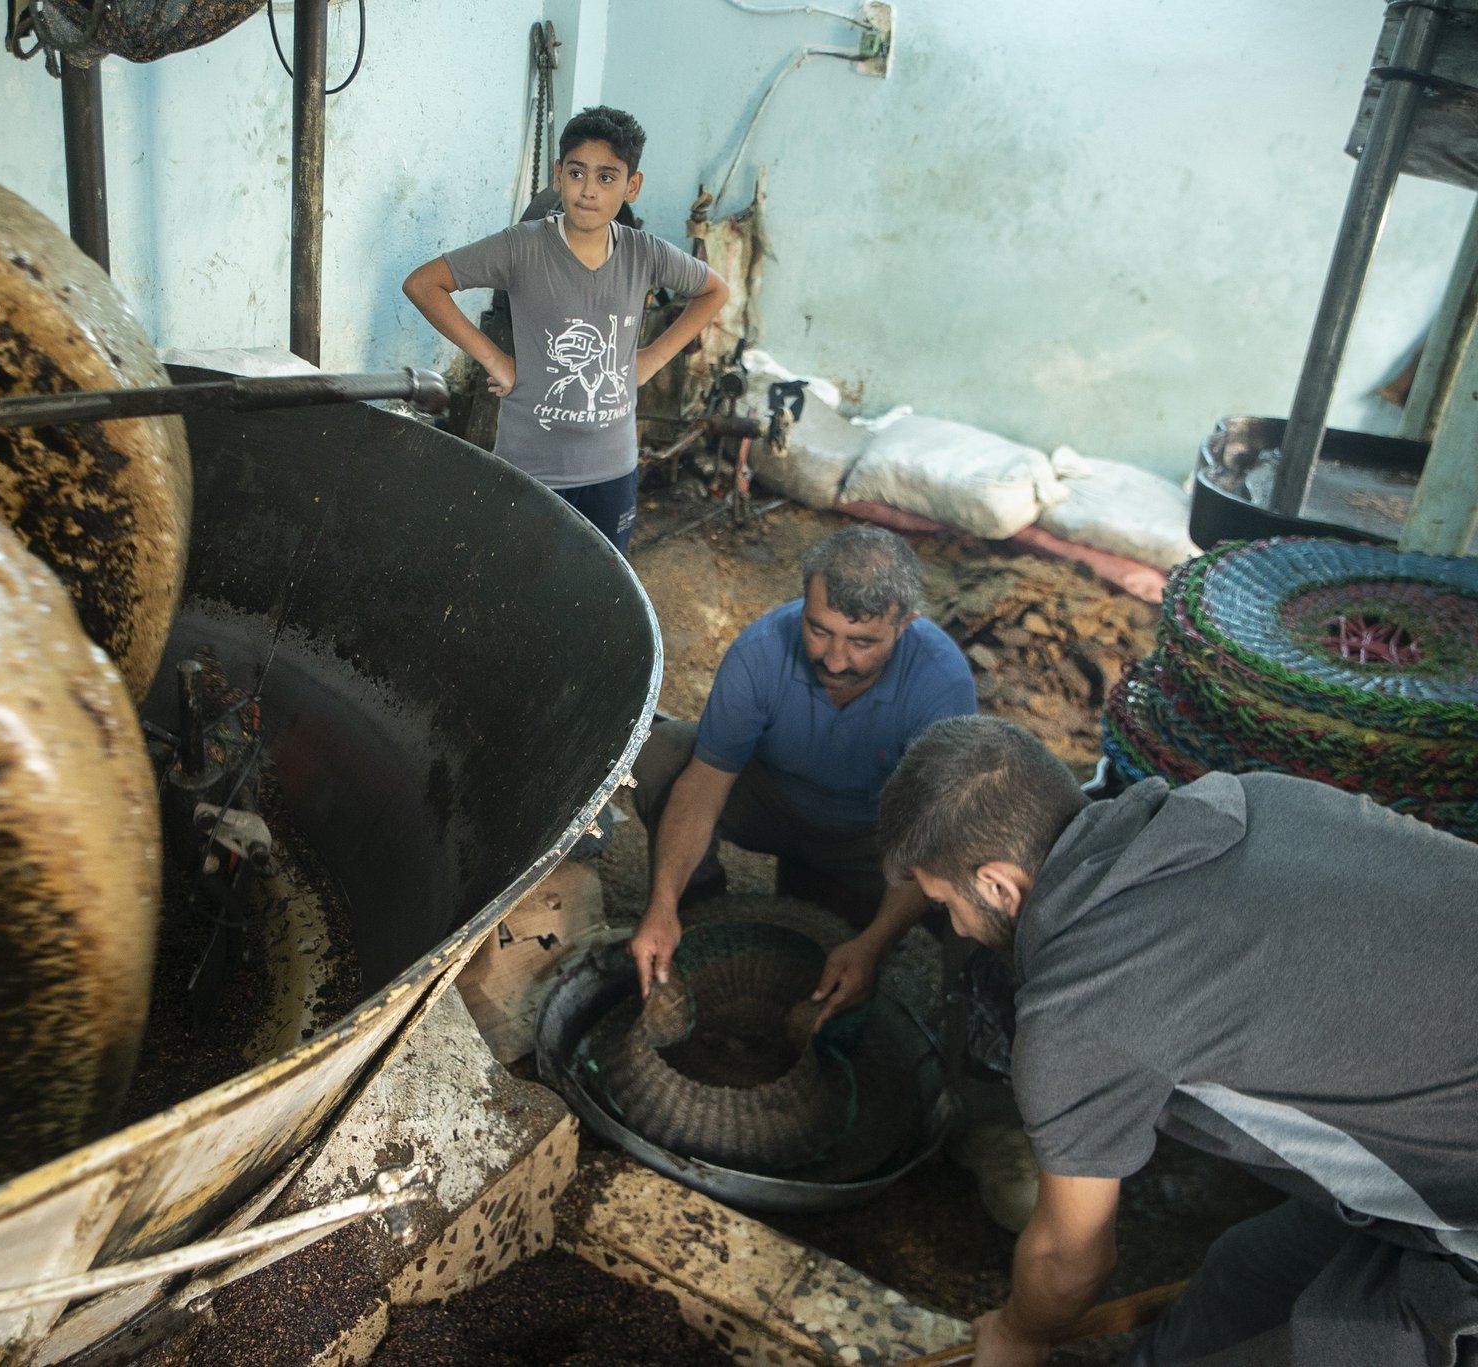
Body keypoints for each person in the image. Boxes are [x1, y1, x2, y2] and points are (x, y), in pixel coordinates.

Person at [878, 715, 1478, 1367]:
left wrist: (1020, 1332)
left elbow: (1069, 1259)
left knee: (1336, 1336)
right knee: (1244, 1275)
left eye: (947, 905)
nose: (958, 925)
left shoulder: (1081, 1000)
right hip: (1441, 1139)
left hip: (1466, 1214)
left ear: (997, 883)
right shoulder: (1249, 797)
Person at [626, 525, 976, 1017]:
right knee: (663, 752)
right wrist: (662, 903)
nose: (834, 659)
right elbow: (705, 783)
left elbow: (931, 836)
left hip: (874, 839)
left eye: (861, 642)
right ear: (804, 601)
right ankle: (698, 912)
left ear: (905, 625)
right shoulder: (761, 652)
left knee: (976, 874)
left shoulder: (942, 686)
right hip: (777, 806)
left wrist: (872, 946)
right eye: (819, 630)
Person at [402, 106, 730, 553]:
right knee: (520, 586)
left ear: (632, 185)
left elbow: (715, 291)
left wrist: (650, 360)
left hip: (612, 472)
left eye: (607, 177)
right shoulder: (522, 247)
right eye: (577, 173)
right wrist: (494, 359)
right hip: (529, 470)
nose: (589, 191)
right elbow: (424, 284)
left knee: (602, 595)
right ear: (558, 175)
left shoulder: (644, 254)